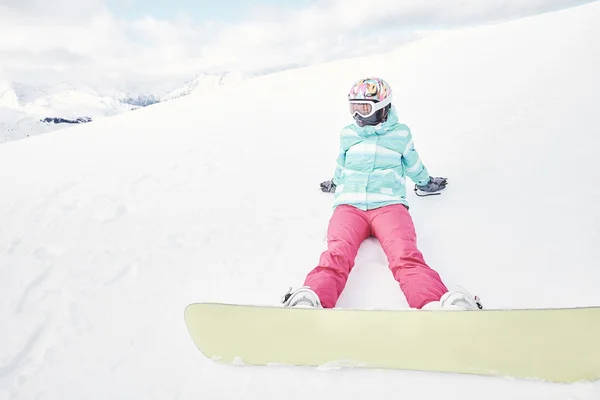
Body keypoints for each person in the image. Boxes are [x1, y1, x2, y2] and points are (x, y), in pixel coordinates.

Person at [281, 77, 482, 311]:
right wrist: (335, 183)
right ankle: (311, 300)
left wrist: (425, 183)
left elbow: (413, 164)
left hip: (389, 206)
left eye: (364, 108)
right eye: (353, 108)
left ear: (382, 106)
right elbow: (341, 164)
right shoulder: (348, 134)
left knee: (405, 256)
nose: (357, 116)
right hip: (349, 206)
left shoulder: (400, 134)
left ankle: (433, 304)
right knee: (336, 254)